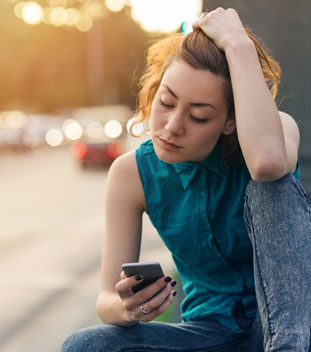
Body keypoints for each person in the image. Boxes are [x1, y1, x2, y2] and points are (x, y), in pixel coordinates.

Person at [61, 7, 311, 352]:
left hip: (286, 330)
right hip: (207, 333)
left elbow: (267, 163)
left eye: (198, 116)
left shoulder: (277, 131)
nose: (173, 125)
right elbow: (106, 301)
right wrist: (130, 307)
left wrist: (238, 44)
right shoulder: (130, 173)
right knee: (84, 345)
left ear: (230, 121)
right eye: (166, 102)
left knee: (274, 186)